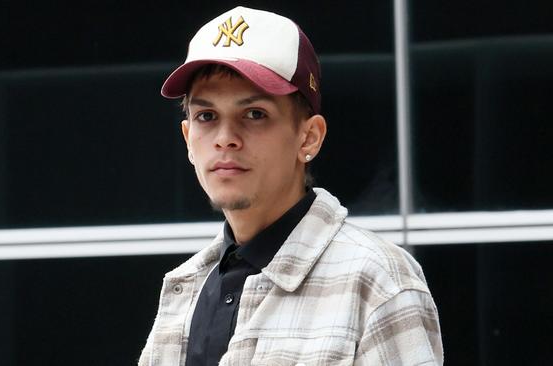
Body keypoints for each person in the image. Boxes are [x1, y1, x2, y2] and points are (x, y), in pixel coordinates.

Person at [138, 6, 443, 366]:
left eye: (255, 114)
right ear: (188, 139)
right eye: (207, 116)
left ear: (309, 138)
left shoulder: (377, 283)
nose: (225, 138)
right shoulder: (186, 287)